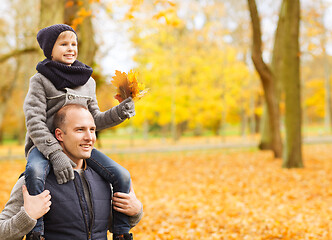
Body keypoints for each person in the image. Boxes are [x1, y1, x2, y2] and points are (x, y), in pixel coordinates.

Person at [23, 24, 136, 240]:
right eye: (63, 44)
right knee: (35, 173)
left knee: (122, 175)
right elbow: (34, 121)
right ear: (50, 50)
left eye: (73, 44)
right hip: (44, 147)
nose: (70, 48)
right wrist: (55, 154)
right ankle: (36, 232)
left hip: (78, 147)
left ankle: (121, 232)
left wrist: (120, 112)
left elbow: (95, 120)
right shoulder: (40, 80)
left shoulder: (88, 81)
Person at [0, 104, 143, 240]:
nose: (89, 138)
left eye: (92, 130)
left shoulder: (105, 178)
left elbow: (107, 225)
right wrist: (27, 216)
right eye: (80, 130)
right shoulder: (35, 181)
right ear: (59, 135)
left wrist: (135, 211)